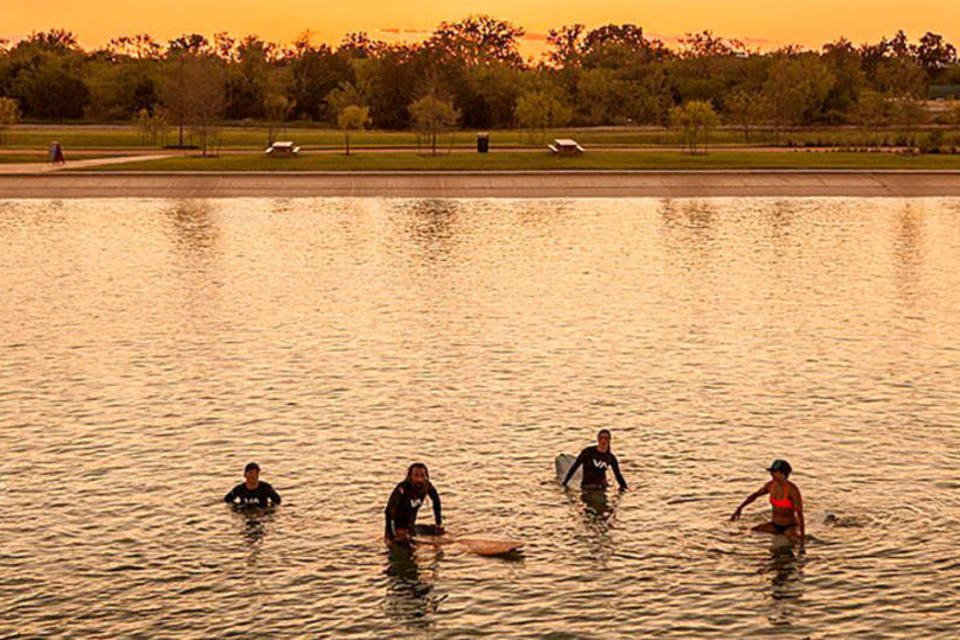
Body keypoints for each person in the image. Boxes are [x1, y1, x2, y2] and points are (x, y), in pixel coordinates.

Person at [731, 459, 805, 542]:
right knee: (751, 531)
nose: (771, 474)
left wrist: (802, 542)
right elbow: (755, 495)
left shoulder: (792, 490)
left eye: (774, 472)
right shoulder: (771, 485)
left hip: (789, 526)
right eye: (771, 471)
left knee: (795, 540)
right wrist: (740, 508)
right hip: (774, 525)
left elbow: (800, 515)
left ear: (783, 473)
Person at [384, 462, 443, 544]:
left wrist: (438, 523)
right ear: (410, 477)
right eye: (416, 476)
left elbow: (436, 502)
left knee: (441, 533)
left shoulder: (427, 486)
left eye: (422, 476)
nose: (419, 479)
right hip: (399, 532)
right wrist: (391, 536)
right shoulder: (402, 489)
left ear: (426, 476)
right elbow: (389, 511)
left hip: (411, 529)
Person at [562, 429, 628, 491]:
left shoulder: (610, 457)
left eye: (606, 438)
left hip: (602, 487)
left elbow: (618, 475)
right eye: (601, 438)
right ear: (598, 439)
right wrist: (565, 483)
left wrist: (625, 488)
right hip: (587, 486)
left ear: (609, 440)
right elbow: (574, 467)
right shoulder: (588, 452)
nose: (603, 441)